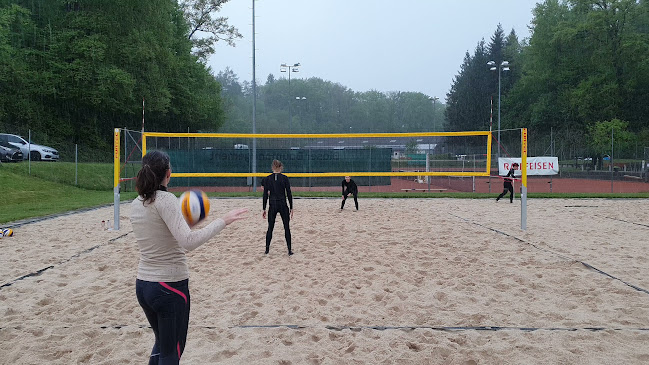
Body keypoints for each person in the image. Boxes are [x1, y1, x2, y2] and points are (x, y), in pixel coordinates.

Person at [130, 150, 247, 365]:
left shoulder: (136, 203)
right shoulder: (165, 200)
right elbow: (188, 242)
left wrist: (186, 226)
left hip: (144, 286)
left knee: (162, 345)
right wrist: (223, 221)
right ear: (168, 173)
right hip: (169, 286)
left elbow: (163, 237)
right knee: (171, 351)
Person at [262, 159, 294, 255]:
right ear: (281, 167)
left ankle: (267, 250)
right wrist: (291, 207)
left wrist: (264, 208)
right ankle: (289, 250)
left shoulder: (267, 179)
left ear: (272, 167)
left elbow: (265, 195)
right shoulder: (284, 178)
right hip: (282, 204)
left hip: (273, 204)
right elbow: (289, 193)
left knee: (270, 228)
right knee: (286, 227)